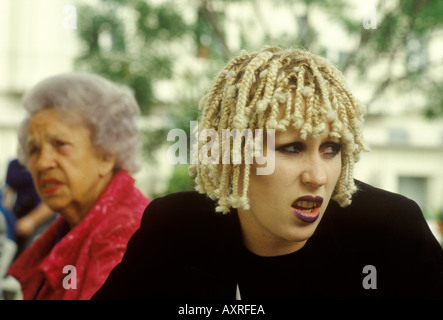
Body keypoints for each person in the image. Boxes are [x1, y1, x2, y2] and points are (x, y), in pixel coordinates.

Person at [93, 47, 443, 300]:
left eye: (331, 148)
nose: (317, 176)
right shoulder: (172, 230)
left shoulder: (388, 231)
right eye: (292, 148)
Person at [7, 72, 150, 299]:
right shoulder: (70, 225)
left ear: (106, 156)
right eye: (33, 150)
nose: (42, 163)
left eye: (60, 144)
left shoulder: (126, 234)